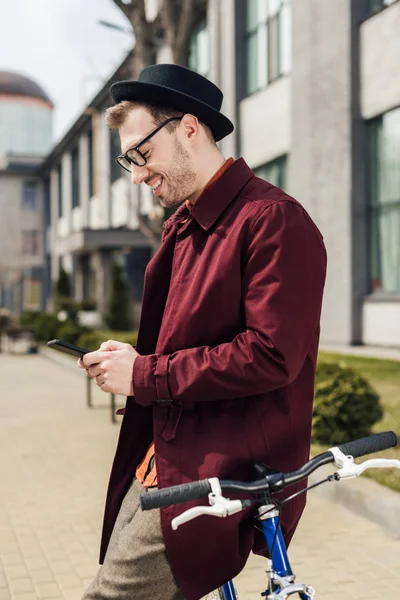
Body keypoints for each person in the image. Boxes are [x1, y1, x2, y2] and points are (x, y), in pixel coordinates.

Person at [79, 63, 327, 600]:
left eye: (140, 155)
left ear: (189, 129)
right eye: (128, 162)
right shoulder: (185, 226)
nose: (137, 176)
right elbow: (191, 345)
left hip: (216, 470)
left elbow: (270, 354)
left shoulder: (273, 219)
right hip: (163, 458)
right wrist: (134, 359)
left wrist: (144, 373)